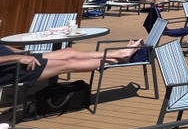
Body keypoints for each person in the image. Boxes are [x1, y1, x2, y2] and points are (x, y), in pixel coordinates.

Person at [1, 40, 144, 88]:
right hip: (10, 68)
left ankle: (119, 53)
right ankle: (115, 59)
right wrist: (17, 58)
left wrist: (24, 53)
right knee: (68, 63)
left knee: (69, 51)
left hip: (18, 58)